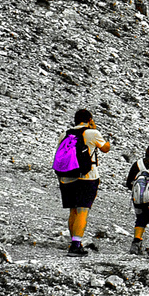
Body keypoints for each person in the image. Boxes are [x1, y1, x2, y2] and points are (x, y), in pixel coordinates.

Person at [54, 108, 110, 257]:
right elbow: (105, 148)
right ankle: (76, 245)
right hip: (87, 177)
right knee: (82, 211)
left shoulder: (64, 134)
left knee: (72, 210)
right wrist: (95, 128)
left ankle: (74, 242)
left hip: (66, 177)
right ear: (89, 119)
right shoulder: (92, 133)